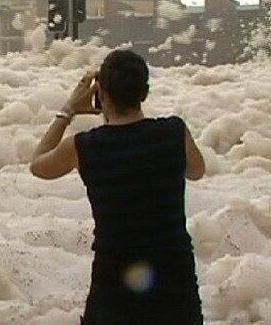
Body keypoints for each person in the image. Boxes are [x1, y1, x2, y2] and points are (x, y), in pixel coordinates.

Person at [30, 50, 206, 325]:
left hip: (114, 286)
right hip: (175, 282)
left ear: (101, 92)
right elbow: (197, 172)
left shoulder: (84, 147)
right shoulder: (173, 132)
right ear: (144, 93)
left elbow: (38, 165)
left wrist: (68, 111)